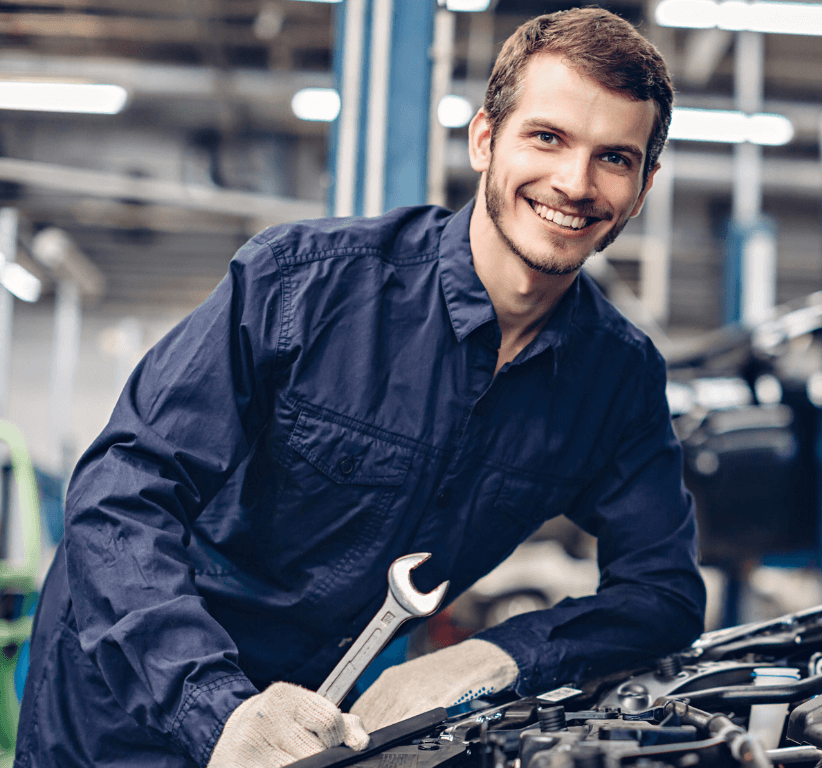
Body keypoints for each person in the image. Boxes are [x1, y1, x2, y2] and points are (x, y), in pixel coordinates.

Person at [15, 8, 705, 768]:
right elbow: (120, 493)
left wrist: (491, 659)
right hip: (129, 694)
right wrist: (218, 710)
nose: (574, 183)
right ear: (485, 140)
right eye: (547, 137)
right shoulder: (302, 286)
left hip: (317, 711)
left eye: (614, 157)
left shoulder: (617, 377)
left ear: (643, 188)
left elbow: (663, 593)